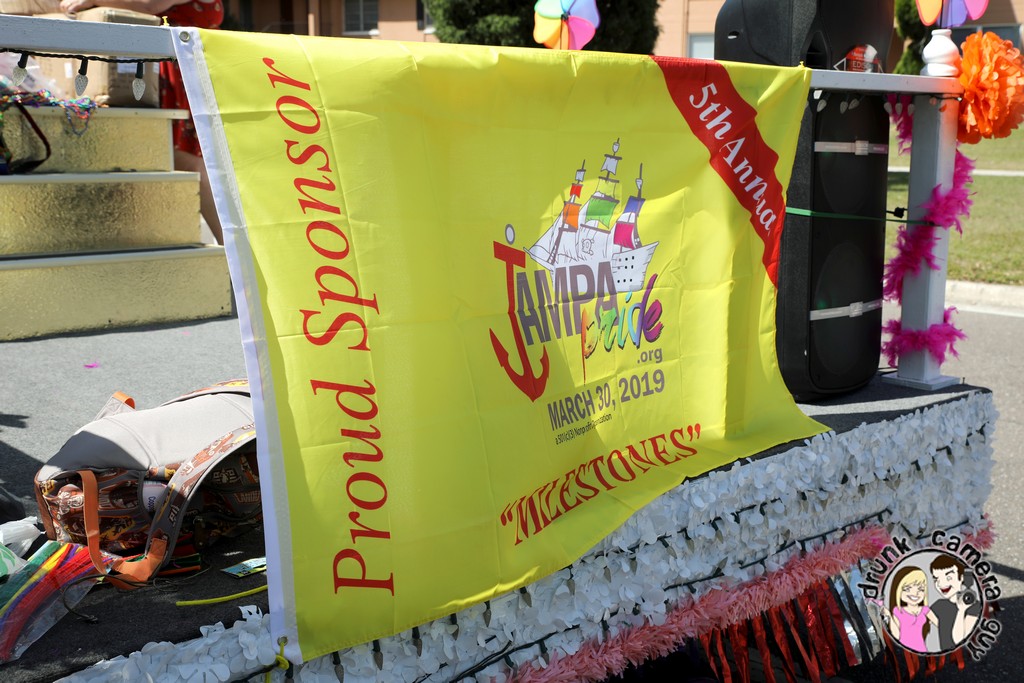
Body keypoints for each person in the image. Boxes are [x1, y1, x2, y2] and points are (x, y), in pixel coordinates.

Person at [58, 0, 225, 243]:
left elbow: (149, 4)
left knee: (187, 160)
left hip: (180, 71)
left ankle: (238, 252)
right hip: (172, 70)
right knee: (174, 158)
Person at [929, 555, 982, 651]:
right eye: (936, 579)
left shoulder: (973, 606)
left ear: (961, 578)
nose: (941, 584)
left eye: (948, 577)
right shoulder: (939, 605)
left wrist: (961, 610)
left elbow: (959, 640)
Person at [886, 566, 938, 653]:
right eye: (907, 589)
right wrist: (889, 616)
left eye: (921, 589)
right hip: (904, 652)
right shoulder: (897, 611)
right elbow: (896, 636)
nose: (915, 593)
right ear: (898, 590)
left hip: (922, 649)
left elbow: (941, 625)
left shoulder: (925, 610)